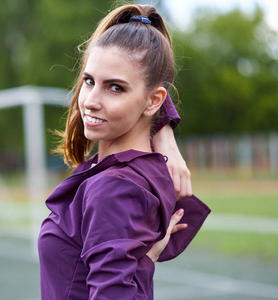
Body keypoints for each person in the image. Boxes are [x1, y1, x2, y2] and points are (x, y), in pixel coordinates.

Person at [38, 4, 210, 299]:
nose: (90, 100)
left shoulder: (115, 187)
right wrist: (165, 129)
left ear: (154, 101)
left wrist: (144, 265)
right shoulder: (128, 171)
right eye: (89, 81)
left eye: (115, 88)